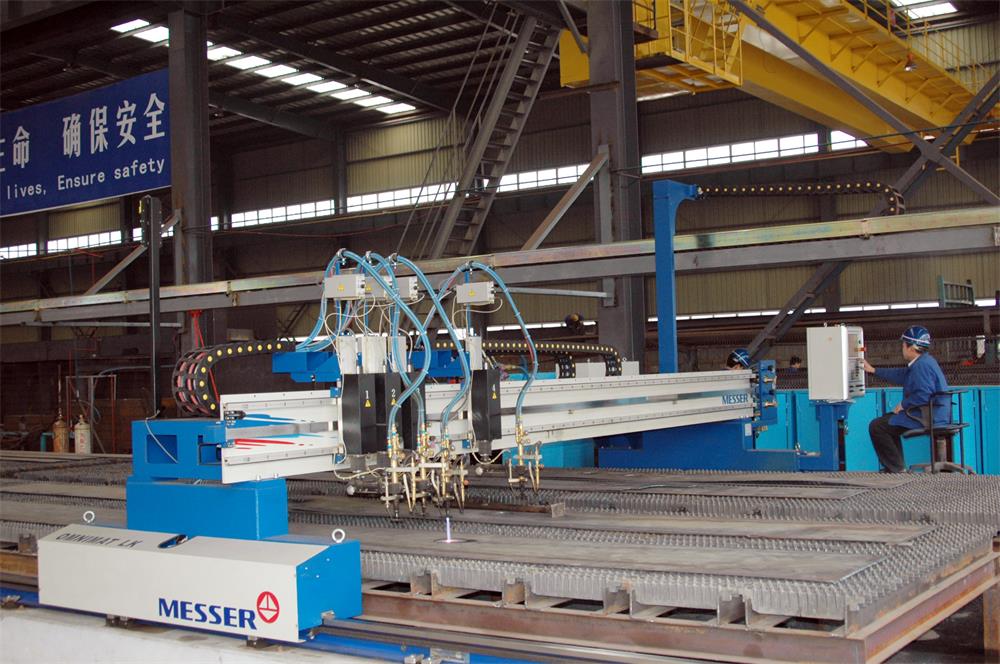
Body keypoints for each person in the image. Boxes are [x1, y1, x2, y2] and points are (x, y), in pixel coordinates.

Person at [864, 326, 949, 473]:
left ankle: (896, 469)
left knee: (877, 426)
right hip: (933, 412)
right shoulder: (924, 361)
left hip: (927, 415)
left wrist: (903, 404)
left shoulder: (921, 366)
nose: (902, 348)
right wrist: (873, 370)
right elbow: (902, 375)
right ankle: (897, 467)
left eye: (903, 345)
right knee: (887, 422)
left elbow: (924, 395)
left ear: (911, 348)